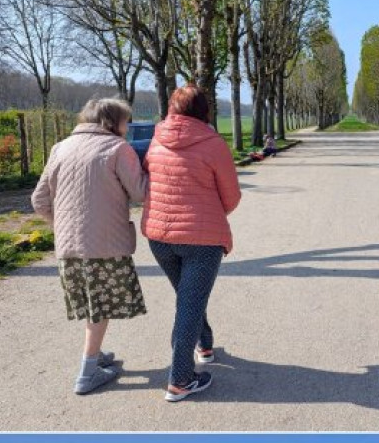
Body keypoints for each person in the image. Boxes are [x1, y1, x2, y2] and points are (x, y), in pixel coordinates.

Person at [31, 98, 147, 395]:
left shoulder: (60, 147)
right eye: (126, 121)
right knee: (100, 308)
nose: (128, 126)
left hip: (68, 246)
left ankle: (95, 353)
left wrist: (63, 226)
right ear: (112, 122)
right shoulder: (117, 148)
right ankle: (87, 371)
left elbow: (39, 201)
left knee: (91, 304)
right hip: (104, 245)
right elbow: (140, 192)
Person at [142, 84, 241, 402]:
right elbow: (231, 197)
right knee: (189, 303)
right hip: (201, 240)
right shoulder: (213, 144)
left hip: (159, 237)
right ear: (204, 111)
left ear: (172, 108)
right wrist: (209, 212)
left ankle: (206, 343)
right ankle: (180, 379)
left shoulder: (156, 139)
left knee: (189, 298)